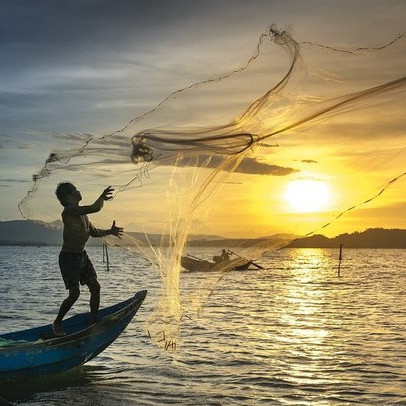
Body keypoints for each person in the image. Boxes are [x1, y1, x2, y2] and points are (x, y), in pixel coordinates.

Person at [52, 183, 123, 336]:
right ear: (68, 196)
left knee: (95, 287)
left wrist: (110, 231)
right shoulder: (69, 211)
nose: (79, 191)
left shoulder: (83, 215)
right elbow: (95, 207)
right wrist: (102, 197)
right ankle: (57, 323)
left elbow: (94, 232)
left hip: (81, 256)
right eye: (76, 190)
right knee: (74, 294)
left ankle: (93, 321)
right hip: (69, 258)